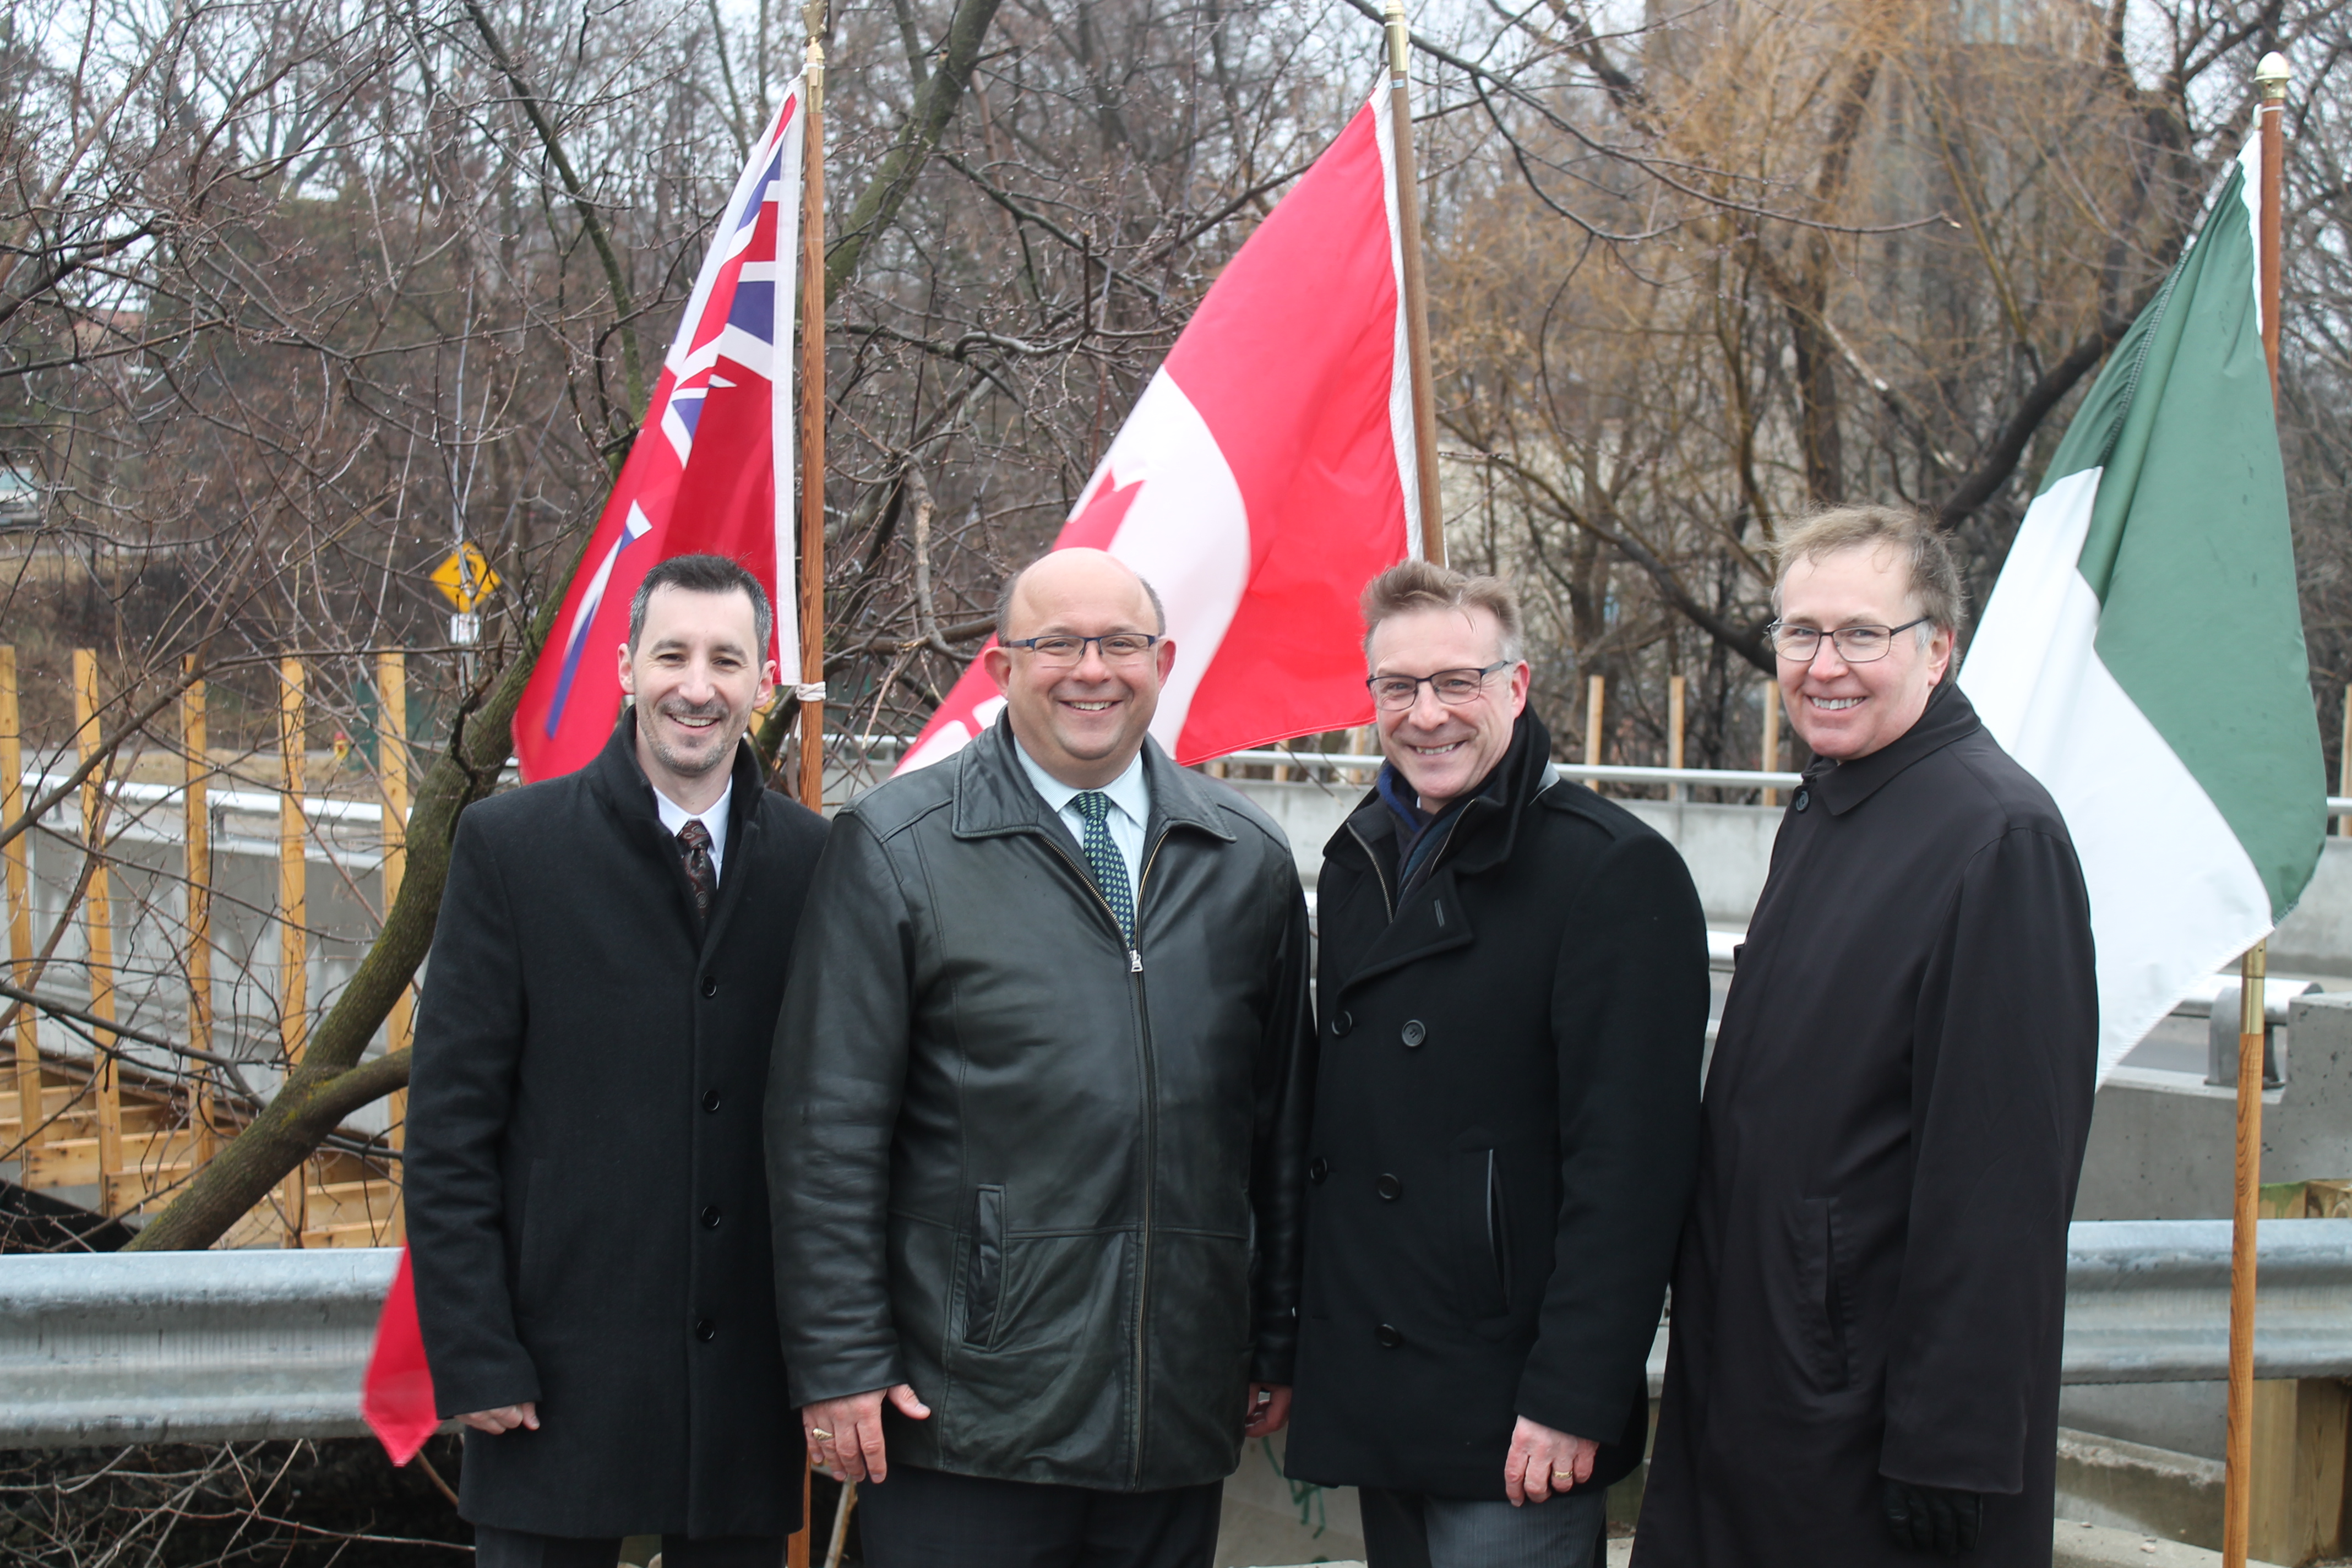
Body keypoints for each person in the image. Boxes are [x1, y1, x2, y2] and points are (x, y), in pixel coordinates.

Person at [766, 547, 1315, 1568]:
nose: (1091, 670)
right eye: (1057, 643)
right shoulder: (900, 848)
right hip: (967, 1415)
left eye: (1120, 644)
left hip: (1176, 1414)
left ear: (1165, 660)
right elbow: (825, 1134)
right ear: (1000, 666)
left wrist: (1276, 1334)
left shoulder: (1248, 861)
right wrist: (840, 1362)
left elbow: (1280, 1129)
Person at [1634, 505, 2098, 1565]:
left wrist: (1955, 1443)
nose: (1822, 665)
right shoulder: (1839, 803)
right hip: (1765, 1383)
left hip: (1872, 1430)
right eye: (1800, 633)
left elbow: (2003, 1177)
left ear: (1938, 648)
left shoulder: (1995, 837)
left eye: (1860, 634)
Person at [1282, 560, 1709, 1568]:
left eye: (1457, 683)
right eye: (1398, 688)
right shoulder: (1363, 856)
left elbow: (1634, 1172)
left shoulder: (1611, 870)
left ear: (1515, 688)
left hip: (1515, 1406)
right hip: (1388, 1377)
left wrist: (1574, 1396)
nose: (1427, 715)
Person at [406, 554, 830, 1567]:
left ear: (762, 685)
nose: (698, 685)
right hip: (551, 1385)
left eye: (727, 660)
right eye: (672, 654)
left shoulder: (818, 863)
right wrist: (476, 1353)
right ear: (625, 670)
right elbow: (450, 1132)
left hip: (742, 1399)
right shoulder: (510, 849)